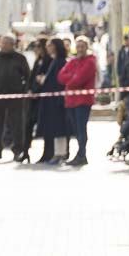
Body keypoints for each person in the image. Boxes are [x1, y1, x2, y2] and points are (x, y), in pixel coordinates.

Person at [0, 34, 31, 162]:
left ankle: (18, 150)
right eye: (3, 43)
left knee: (17, 125)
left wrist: (23, 92)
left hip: (15, 97)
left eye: (7, 43)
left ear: (12, 45)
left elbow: (27, 76)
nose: (4, 45)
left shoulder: (20, 58)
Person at [57, 35, 96, 167]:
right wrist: (72, 77)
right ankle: (79, 154)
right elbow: (61, 76)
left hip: (83, 101)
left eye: (82, 46)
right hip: (71, 101)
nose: (80, 49)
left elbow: (78, 80)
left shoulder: (90, 61)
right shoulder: (72, 61)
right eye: (78, 46)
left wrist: (71, 78)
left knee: (81, 129)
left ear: (87, 47)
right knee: (75, 128)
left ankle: (82, 155)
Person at [34, 38, 68, 165]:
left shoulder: (59, 62)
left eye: (50, 46)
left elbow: (56, 81)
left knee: (59, 127)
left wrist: (43, 80)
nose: (47, 48)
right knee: (55, 127)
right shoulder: (54, 61)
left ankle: (61, 153)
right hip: (51, 100)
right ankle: (57, 153)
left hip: (56, 100)